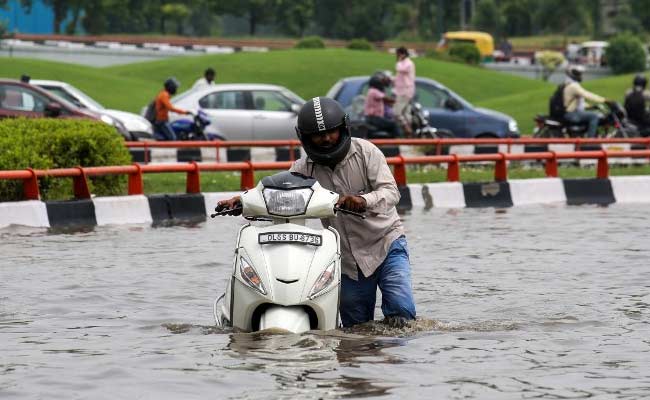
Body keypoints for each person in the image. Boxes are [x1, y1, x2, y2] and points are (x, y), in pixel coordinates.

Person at [217, 97, 417, 328]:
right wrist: (240, 202)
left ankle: (398, 359)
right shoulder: (303, 169)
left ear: (343, 129)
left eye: (331, 132)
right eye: (318, 134)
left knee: (401, 311)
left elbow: (391, 192)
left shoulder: (367, 153)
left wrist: (363, 200)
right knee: (357, 328)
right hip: (347, 260)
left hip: (385, 244)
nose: (326, 138)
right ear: (305, 137)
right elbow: (279, 193)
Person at [563, 65, 608, 138]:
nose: (580, 76)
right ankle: (590, 141)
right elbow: (586, 94)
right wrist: (604, 100)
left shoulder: (570, 84)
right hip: (571, 114)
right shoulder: (573, 86)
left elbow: (578, 103)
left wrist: (591, 106)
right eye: (578, 74)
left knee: (591, 114)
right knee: (594, 116)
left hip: (571, 111)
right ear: (573, 74)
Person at [364, 72, 399, 137]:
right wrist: (395, 91)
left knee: (389, 124)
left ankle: (390, 141)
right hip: (374, 119)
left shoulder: (371, 91)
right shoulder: (374, 91)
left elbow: (387, 103)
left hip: (372, 118)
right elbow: (389, 100)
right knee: (393, 124)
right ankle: (398, 142)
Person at [393, 46, 416, 135]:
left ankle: (407, 129)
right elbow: (399, 77)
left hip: (404, 92)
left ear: (402, 54)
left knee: (397, 112)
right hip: (404, 91)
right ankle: (409, 133)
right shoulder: (405, 63)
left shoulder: (408, 64)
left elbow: (399, 69)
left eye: (398, 54)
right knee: (406, 113)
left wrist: (399, 60)